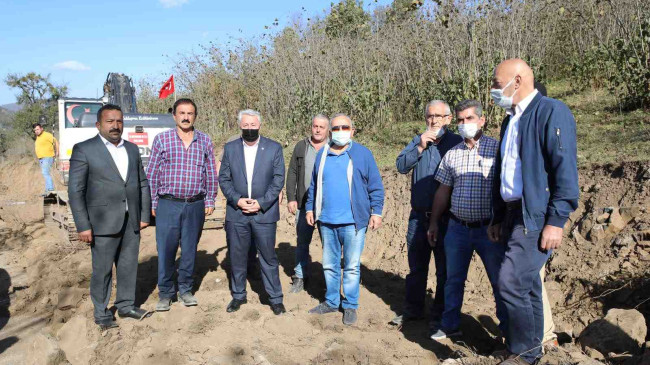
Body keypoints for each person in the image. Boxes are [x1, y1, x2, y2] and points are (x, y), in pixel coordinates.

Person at [487, 59, 579, 365]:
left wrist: (556, 221)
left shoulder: (551, 111)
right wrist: (498, 216)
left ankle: (524, 354)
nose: (494, 90)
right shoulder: (511, 119)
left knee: (511, 281)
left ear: (517, 80)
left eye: (497, 85)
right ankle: (533, 348)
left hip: (535, 214)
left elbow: (564, 170)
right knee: (526, 286)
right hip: (513, 213)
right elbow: (505, 171)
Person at [427, 99, 507, 341]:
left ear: (482, 120)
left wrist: (502, 221)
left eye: (469, 119)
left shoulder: (497, 150)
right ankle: (450, 324)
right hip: (457, 228)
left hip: (489, 229)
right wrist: (433, 223)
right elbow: (443, 191)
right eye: (460, 120)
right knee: (453, 280)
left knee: (499, 281)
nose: (464, 124)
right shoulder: (453, 154)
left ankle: (507, 329)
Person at [68, 104, 151, 330]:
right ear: (98, 124)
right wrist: (83, 225)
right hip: (102, 222)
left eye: (119, 121)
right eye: (110, 121)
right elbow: (76, 191)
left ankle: (126, 306)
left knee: (128, 267)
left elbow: (141, 183)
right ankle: (102, 312)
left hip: (131, 221)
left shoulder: (132, 149)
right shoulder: (84, 149)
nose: (115, 126)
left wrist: (144, 215)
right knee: (102, 270)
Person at [305, 113, 385, 326]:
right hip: (326, 221)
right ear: (330, 131)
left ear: (352, 130)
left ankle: (350, 305)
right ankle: (331, 301)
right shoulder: (322, 154)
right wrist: (310, 208)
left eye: (345, 127)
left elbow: (375, 185)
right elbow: (314, 185)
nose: (340, 131)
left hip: (353, 222)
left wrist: (376, 212)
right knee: (330, 264)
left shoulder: (362, 154)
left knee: (351, 266)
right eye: (336, 128)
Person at [392, 100, 462, 329]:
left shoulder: (457, 143)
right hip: (418, 216)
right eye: (430, 116)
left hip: (447, 219)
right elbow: (401, 165)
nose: (433, 121)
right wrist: (420, 146)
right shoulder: (419, 140)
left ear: (449, 119)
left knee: (444, 271)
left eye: (439, 116)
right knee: (416, 268)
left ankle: (438, 316)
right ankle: (413, 311)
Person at [147, 98, 218, 311]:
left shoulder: (204, 140)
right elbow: (152, 174)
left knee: (189, 249)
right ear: (174, 115)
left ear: (195, 116)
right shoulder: (162, 139)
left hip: (195, 204)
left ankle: (186, 289)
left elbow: (210, 173)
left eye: (190, 113)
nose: (186, 117)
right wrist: (152, 201)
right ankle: (166, 292)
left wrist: (210, 198)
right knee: (166, 249)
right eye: (182, 113)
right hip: (168, 204)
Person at [219, 109, 286, 315]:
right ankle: (238, 295)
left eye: (253, 125)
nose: (249, 129)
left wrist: (261, 202)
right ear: (240, 125)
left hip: (263, 213)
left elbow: (278, 179)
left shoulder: (273, 148)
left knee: (268, 257)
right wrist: (237, 200)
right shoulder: (230, 149)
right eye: (246, 125)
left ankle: (275, 298)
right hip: (237, 213)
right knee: (237, 256)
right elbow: (224, 178)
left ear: (260, 125)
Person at [285, 114, 330, 293]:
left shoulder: (334, 148)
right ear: (311, 127)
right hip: (304, 205)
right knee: (302, 242)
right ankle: (300, 276)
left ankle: (329, 280)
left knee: (329, 244)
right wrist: (291, 198)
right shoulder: (301, 146)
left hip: (328, 206)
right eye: (315, 126)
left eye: (321, 127)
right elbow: (292, 173)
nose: (317, 130)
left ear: (327, 130)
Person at [33, 123, 59, 195]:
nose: (36, 131)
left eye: (37, 129)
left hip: (47, 157)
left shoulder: (47, 135)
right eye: (35, 130)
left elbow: (56, 142)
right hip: (41, 158)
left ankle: (50, 189)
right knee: (45, 173)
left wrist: (57, 152)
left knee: (45, 173)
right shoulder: (38, 137)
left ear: (41, 128)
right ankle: (47, 190)